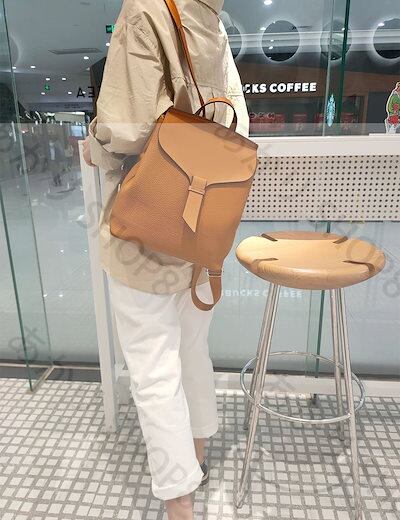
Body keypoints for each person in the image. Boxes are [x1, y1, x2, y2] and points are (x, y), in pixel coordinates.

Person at [83, 0, 249, 518]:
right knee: (191, 349)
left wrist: (94, 146)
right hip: (201, 227)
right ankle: (196, 454)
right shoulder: (211, 17)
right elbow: (238, 123)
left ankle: (180, 500)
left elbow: (126, 126)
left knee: (154, 367)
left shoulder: (146, 9)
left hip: (148, 223)